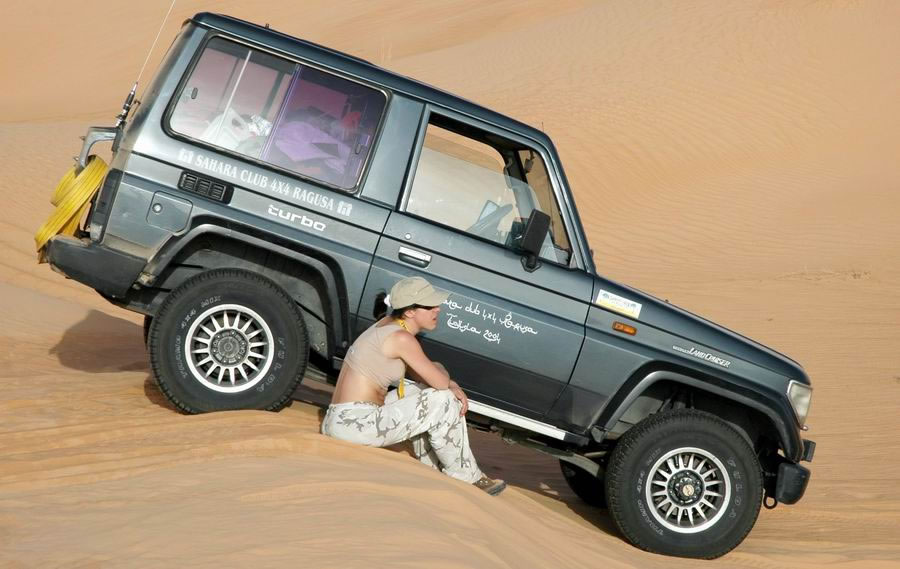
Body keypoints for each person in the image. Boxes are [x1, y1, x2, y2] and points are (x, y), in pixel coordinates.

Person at [321, 276, 506, 495]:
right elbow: (439, 382)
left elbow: (422, 375)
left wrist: (447, 381)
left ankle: (434, 466)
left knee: (427, 393)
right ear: (409, 312)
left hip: (342, 420)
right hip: (355, 425)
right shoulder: (401, 338)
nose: (437, 309)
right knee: (444, 399)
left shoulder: (385, 325)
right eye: (429, 306)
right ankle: (468, 477)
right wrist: (448, 379)